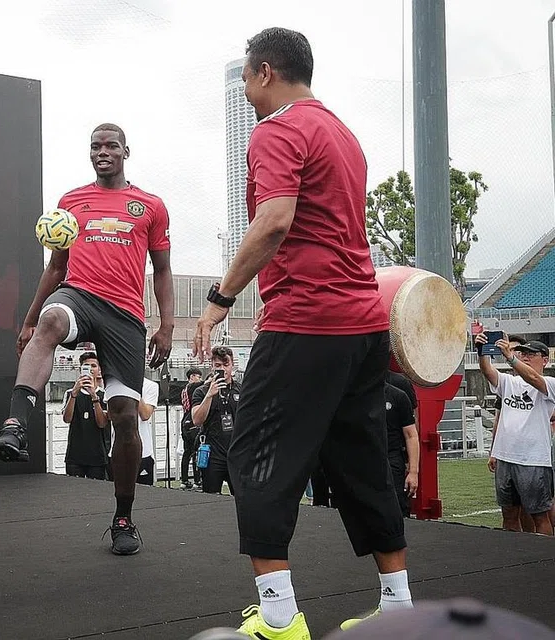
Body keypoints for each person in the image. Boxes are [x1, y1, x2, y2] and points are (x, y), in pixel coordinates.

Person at [193, 28, 411, 637]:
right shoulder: (344, 134)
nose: (243, 92)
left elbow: (274, 220)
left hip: (307, 323)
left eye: (245, 79)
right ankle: (398, 608)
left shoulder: (278, 129)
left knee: (256, 455)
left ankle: (280, 620)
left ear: (265, 71)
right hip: (365, 329)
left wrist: (218, 301)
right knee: (363, 463)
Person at [0, 122, 174, 556]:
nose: (101, 152)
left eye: (110, 145)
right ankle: (15, 426)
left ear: (127, 150)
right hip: (80, 296)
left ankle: (123, 517)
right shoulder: (71, 202)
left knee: (125, 419)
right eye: (95, 146)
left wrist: (166, 326)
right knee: (53, 320)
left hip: (126, 315)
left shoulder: (150, 206)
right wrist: (30, 319)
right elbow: (55, 269)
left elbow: (162, 271)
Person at [475, 334, 555, 535]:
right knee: (509, 514)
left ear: (545, 360)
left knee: (539, 515)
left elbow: (534, 378)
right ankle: (512, 555)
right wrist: (482, 351)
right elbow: (488, 372)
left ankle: (543, 556)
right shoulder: (509, 382)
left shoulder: (550, 383)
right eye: (523, 353)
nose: (525, 356)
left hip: (533, 459)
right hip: (506, 457)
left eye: (531, 354)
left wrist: (511, 358)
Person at [190, 346, 241, 494]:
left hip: (236, 454)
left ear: (232, 365)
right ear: (212, 366)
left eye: (226, 364)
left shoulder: (241, 390)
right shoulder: (201, 391)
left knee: (241, 498)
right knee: (210, 498)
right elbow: (196, 420)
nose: (223, 369)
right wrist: (210, 395)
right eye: (218, 365)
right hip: (212, 454)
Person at [62, 351, 109, 480]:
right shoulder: (70, 393)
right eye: (86, 366)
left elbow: (102, 423)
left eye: (94, 366)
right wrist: (74, 393)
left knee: (96, 492)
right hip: (75, 455)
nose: (91, 369)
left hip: (97, 455)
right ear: (80, 369)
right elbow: (67, 419)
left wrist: (94, 396)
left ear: (99, 369)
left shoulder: (104, 395)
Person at [384, 382, 419, 517]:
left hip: (392, 459)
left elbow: (411, 435)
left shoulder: (398, 396)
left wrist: (413, 472)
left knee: (397, 509)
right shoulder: (357, 395)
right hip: (365, 460)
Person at [180, 367, 204, 489]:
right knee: (196, 452)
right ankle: (197, 480)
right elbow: (203, 384)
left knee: (187, 452)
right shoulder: (192, 387)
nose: (200, 379)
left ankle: (184, 480)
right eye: (198, 376)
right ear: (192, 377)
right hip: (192, 421)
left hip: (184, 421)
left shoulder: (184, 389)